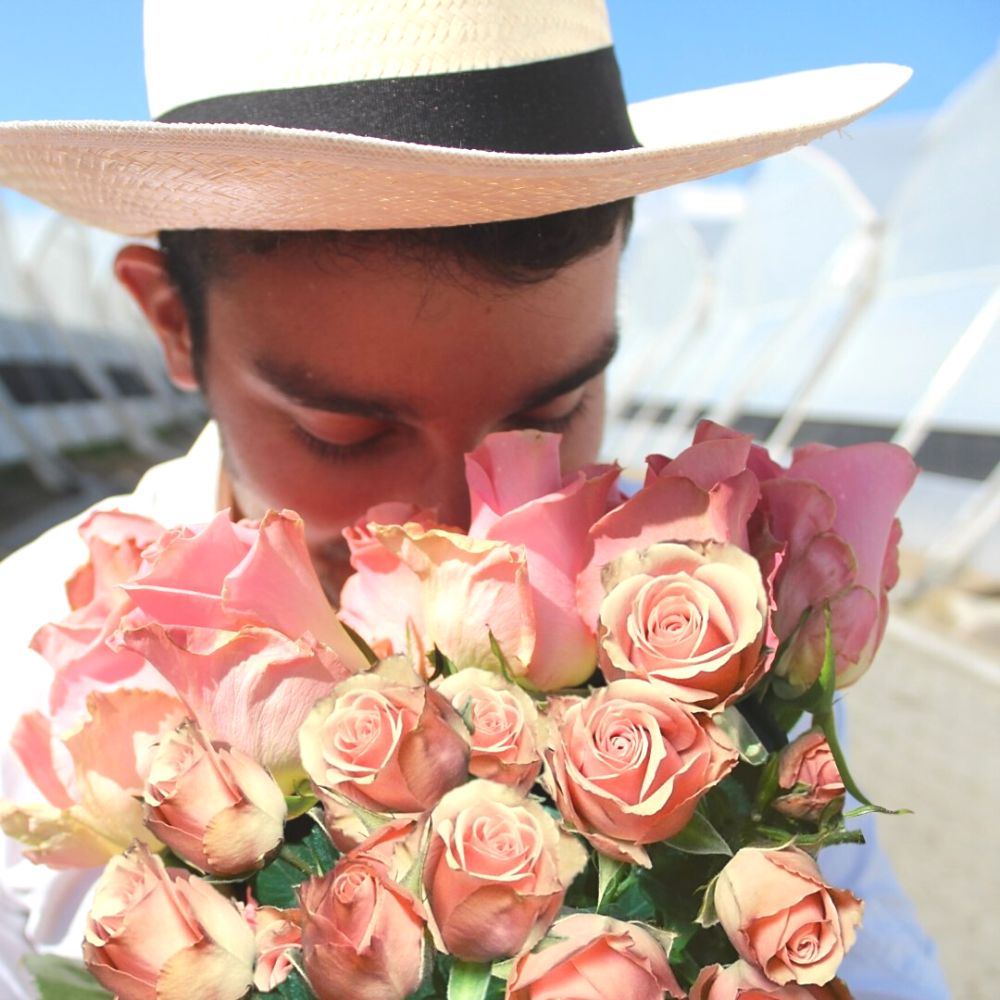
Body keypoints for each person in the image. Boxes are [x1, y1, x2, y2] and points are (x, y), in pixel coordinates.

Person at [0, 2, 949, 997]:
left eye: (552, 414)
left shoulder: (710, 660)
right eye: (344, 435)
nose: (465, 530)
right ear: (171, 324)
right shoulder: (24, 676)